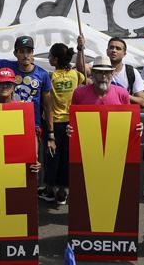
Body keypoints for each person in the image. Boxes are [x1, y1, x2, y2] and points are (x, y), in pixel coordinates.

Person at [0, 18, 55, 159]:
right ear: (15, 53)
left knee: (31, 165)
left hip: (31, 126)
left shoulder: (43, 74)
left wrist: (51, 135)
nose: (25, 55)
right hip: (6, 122)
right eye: (21, 51)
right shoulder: (6, 66)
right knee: (3, 161)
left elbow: (48, 107)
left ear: (33, 53)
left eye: (29, 51)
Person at [42, 42, 83, 206]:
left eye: (50, 55)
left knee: (52, 157)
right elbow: (82, 71)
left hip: (53, 123)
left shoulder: (50, 76)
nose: (48, 58)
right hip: (70, 124)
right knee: (67, 158)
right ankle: (63, 191)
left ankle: (50, 190)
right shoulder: (76, 75)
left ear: (56, 59)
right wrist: (80, 49)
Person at [94, 36, 144, 107]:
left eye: (118, 48)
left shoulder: (132, 72)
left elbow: (142, 103)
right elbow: (81, 69)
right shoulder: (96, 66)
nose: (114, 50)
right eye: (111, 47)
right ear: (107, 51)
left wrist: (120, 94)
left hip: (121, 116)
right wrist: (80, 49)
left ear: (124, 54)